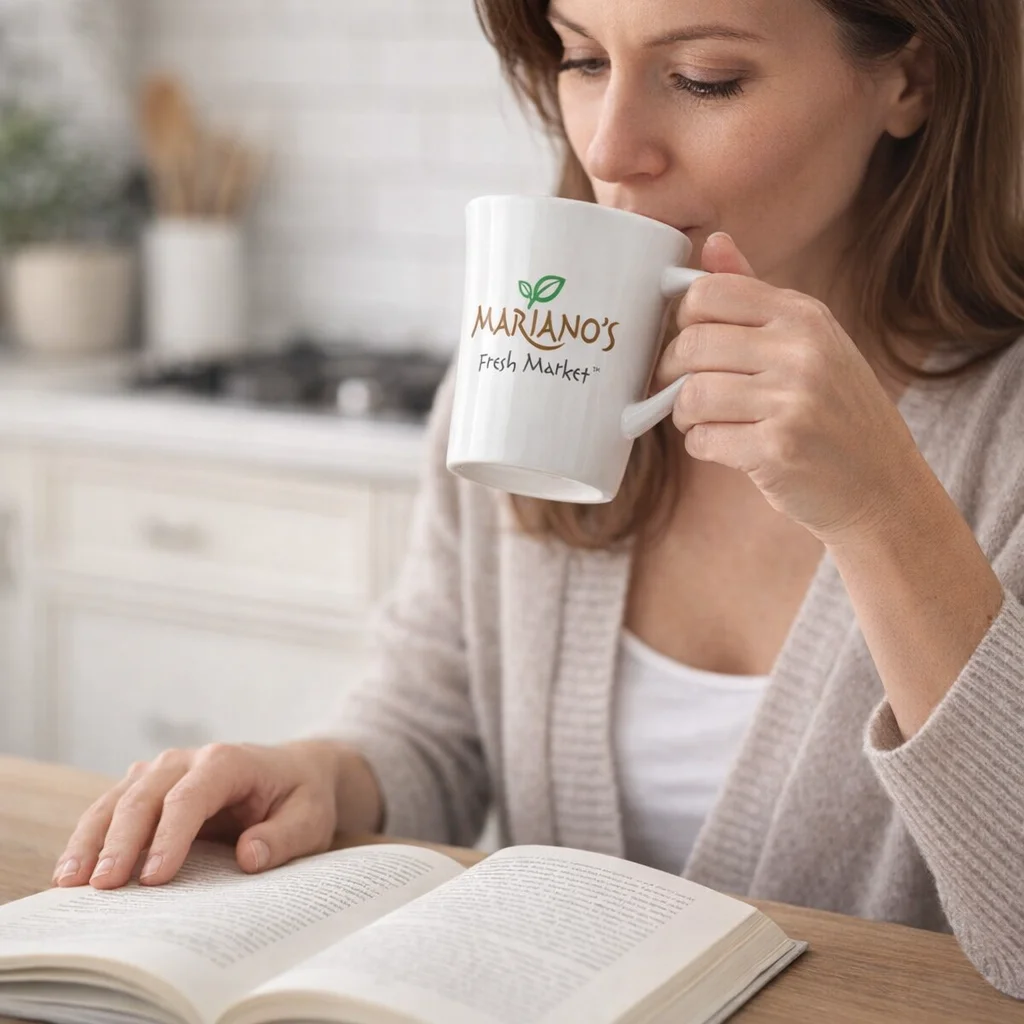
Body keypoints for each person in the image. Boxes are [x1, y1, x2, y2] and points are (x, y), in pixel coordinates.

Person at [53, 0, 1024, 998]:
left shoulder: (1003, 434)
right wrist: (325, 773)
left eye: (703, 79)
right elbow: (437, 709)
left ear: (912, 80)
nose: (610, 147)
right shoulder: (533, 352)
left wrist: (882, 513)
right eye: (582, 59)